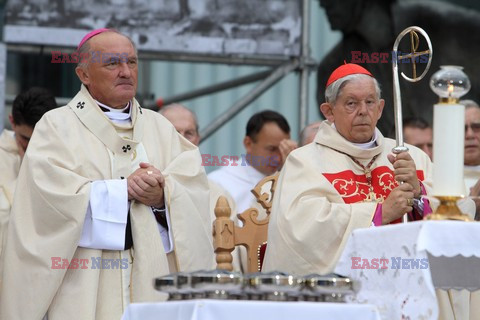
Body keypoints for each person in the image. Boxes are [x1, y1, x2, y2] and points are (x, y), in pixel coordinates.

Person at [0, 29, 214, 320]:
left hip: (151, 282)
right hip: (84, 285)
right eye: (112, 63)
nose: (126, 72)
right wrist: (123, 190)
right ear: (84, 74)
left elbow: (194, 188)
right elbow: (45, 204)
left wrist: (163, 195)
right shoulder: (57, 127)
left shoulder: (160, 128)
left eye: (132, 62)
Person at [263, 63, 433, 275]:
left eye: (370, 102)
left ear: (380, 108)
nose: (363, 111)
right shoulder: (304, 161)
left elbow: (451, 217)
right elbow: (300, 228)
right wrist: (379, 213)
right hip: (344, 286)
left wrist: (418, 194)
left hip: (411, 274)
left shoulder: (412, 157)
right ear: (329, 111)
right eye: (351, 103)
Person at [159, 103, 244, 271]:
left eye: (189, 133)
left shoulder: (219, 196)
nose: (182, 139)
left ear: (197, 139)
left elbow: (229, 258)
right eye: (174, 132)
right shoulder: (138, 186)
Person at [0, 87, 57, 262]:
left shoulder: (63, 158)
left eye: (38, 138)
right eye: (25, 138)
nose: (32, 145)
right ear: (12, 121)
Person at [208, 110, 297, 213]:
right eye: (272, 149)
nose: (278, 158)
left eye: (283, 149)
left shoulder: (289, 179)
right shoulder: (219, 182)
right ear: (248, 144)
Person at [461, 99, 480, 220]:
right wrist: (471, 207)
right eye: (462, 128)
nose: (470, 135)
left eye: (477, 127)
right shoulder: (436, 176)